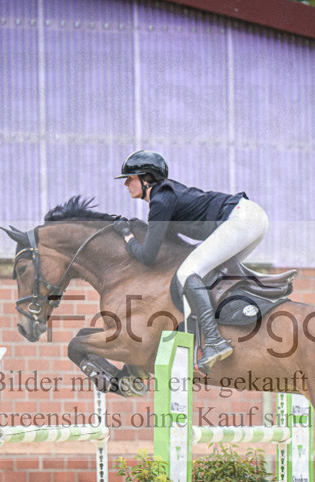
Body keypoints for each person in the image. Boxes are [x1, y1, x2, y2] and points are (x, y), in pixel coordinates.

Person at [114, 149, 269, 374]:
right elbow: (169, 246)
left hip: (242, 219)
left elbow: (148, 256)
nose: (126, 183)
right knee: (207, 275)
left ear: (146, 179)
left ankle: (215, 341)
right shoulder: (165, 196)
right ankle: (223, 331)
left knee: (187, 274)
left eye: (130, 178)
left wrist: (127, 236)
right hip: (253, 219)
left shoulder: (160, 199)